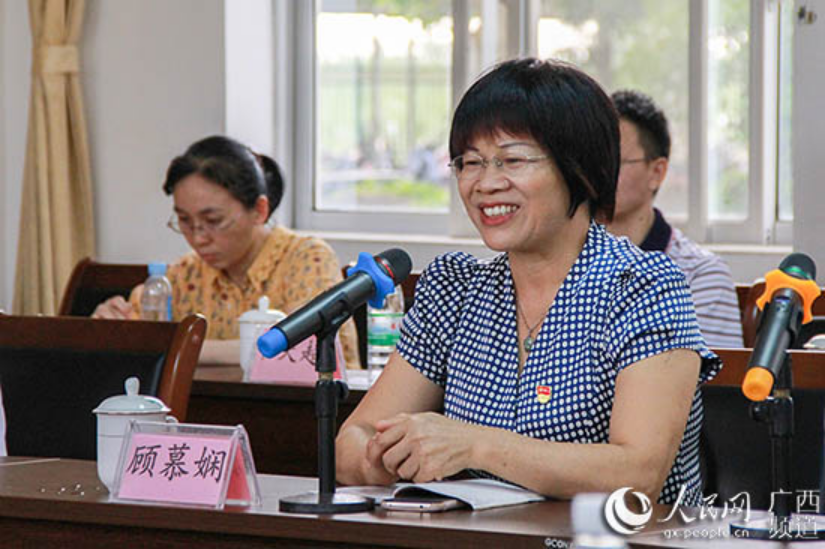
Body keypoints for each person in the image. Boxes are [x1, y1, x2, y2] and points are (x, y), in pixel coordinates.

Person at [336, 58, 720, 506]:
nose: (485, 183)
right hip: (472, 535)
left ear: (580, 169)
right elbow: (352, 442)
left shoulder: (642, 287)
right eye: (470, 162)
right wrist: (386, 457)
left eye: (513, 160)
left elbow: (637, 474)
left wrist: (476, 445)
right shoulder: (456, 289)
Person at [92, 136, 360, 368]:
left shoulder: (307, 258)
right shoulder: (185, 275)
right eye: (184, 220)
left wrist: (183, 346)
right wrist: (109, 324)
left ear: (259, 210)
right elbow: (137, 338)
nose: (198, 238)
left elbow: (304, 347)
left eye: (213, 221)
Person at [607, 90, 744, 348]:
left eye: (615, 161)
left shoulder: (701, 275)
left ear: (656, 172)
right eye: (592, 159)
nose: (599, 172)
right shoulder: (562, 261)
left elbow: (708, 374)